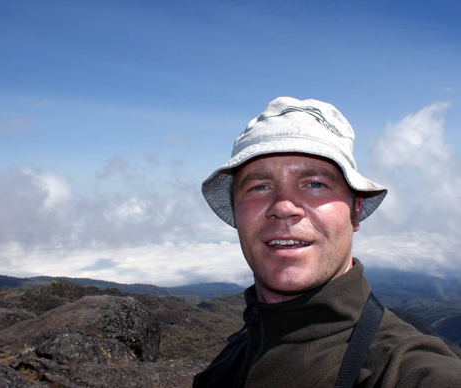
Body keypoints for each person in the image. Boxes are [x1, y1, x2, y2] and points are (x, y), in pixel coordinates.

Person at [192, 97, 461, 387]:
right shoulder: (228, 361)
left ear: (355, 210)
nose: (283, 206)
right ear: (236, 211)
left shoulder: (410, 372)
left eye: (315, 184)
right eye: (259, 186)